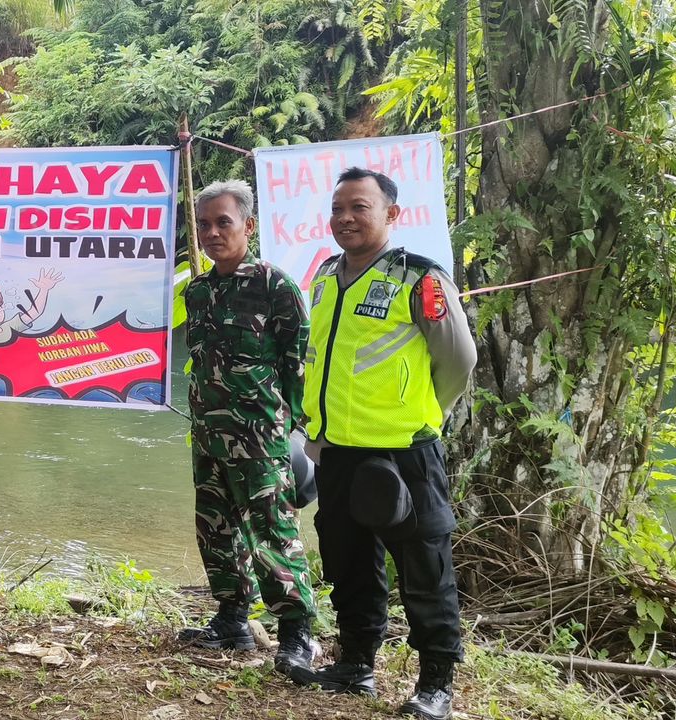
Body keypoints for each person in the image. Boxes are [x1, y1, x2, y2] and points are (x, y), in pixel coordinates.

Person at [295, 168, 476, 720]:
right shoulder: (326, 276)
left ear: (391, 215)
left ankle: (436, 685)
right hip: (337, 452)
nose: (345, 218)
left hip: (405, 452)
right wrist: (316, 436)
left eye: (360, 207)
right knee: (347, 562)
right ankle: (356, 664)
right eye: (338, 208)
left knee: (424, 567)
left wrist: (421, 417)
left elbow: (458, 361)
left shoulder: (418, 278)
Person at [175, 180, 318, 677]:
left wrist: (293, 428)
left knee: (273, 531)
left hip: (260, 435)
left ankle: (297, 632)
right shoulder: (199, 291)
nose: (212, 233)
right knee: (215, 527)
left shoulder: (275, 286)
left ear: (248, 227)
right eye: (204, 225)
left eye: (223, 223)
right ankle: (232, 618)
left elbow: (298, 362)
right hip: (209, 432)